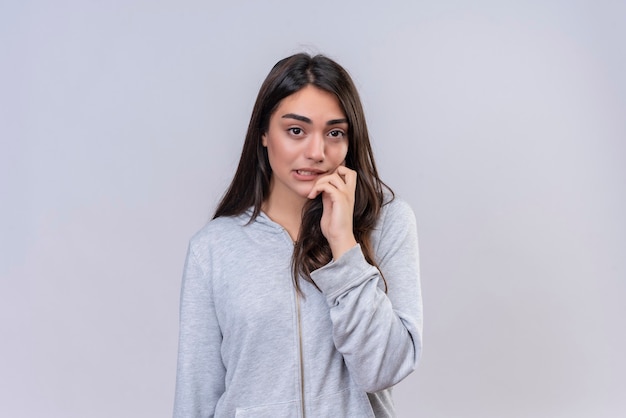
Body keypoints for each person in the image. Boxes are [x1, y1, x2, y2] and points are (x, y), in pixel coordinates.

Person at [173, 53, 423, 417]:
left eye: (335, 133)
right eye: (296, 131)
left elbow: (383, 369)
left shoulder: (387, 224)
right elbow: (196, 396)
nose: (316, 152)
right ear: (263, 133)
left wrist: (343, 244)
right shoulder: (213, 248)